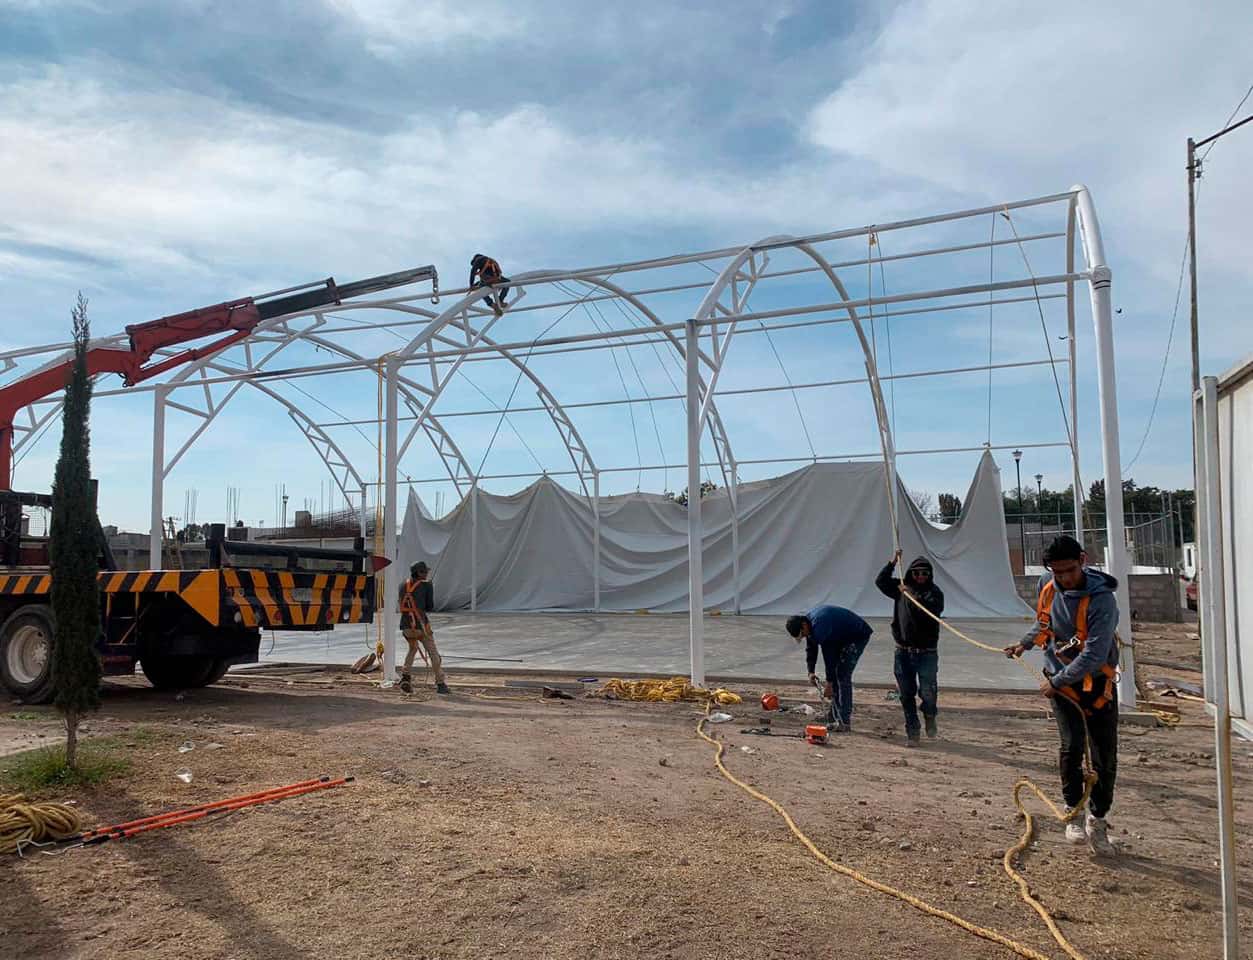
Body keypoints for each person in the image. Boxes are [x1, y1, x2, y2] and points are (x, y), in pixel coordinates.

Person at [1004, 535, 1119, 856]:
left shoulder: (1102, 601)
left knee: (1103, 755)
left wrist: (1057, 682)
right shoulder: (1049, 586)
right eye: (1057, 572)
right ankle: (1073, 811)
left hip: (1096, 685)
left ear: (1082, 560)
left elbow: (1095, 655)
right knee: (1070, 747)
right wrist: (1024, 644)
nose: (1064, 578)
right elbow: (1044, 623)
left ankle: (1098, 819)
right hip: (1061, 683)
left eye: (1069, 570)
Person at [876, 549, 945, 746]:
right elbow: (880, 582)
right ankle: (912, 733)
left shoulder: (934, 593)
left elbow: (930, 610)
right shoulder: (900, 587)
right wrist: (892, 562)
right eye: (916, 573)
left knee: (928, 693)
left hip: (927, 653)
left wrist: (911, 595)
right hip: (903, 651)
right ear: (910, 574)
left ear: (930, 575)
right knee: (906, 694)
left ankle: (930, 715)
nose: (921, 576)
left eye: (924, 573)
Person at [785, 605, 873, 732]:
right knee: (837, 673)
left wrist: (829, 684)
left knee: (842, 675)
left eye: (803, 634)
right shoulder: (809, 625)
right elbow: (811, 648)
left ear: (804, 625)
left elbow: (829, 657)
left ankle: (844, 721)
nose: (804, 636)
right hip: (838, 636)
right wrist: (811, 672)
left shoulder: (820, 627)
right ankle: (833, 716)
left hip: (857, 636)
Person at [398, 561, 449, 695]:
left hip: (406, 626)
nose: (426, 574)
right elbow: (429, 607)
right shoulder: (426, 585)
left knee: (413, 649)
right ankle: (441, 683)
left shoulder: (403, 584)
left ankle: (405, 677)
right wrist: (428, 588)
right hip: (421, 626)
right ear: (418, 572)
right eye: (424, 572)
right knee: (434, 654)